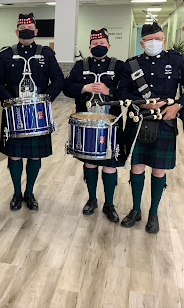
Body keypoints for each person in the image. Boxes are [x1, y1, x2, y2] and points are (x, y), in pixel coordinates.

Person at [117, 21, 184, 233]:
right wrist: (143, 103)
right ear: (142, 42)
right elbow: (121, 93)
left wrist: (179, 105)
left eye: (158, 39)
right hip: (139, 121)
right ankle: (136, 209)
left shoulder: (175, 61)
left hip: (165, 123)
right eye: (150, 40)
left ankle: (153, 213)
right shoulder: (131, 65)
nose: (155, 43)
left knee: (158, 169)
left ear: (163, 40)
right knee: (137, 167)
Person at [0, 13, 64, 211]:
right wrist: (7, 99)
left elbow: (58, 79)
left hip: (38, 111)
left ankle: (30, 192)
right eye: (22, 28)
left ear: (36, 31)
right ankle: (16, 192)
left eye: (30, 28)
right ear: (16, 32)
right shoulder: (6, 54)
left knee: (34, 156)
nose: (26, 31)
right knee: (14, 156)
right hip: (13, 111)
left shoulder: (46, 54)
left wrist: (46, 99)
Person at [63, 28, 124, 222]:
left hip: (111, 123)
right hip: (87, 123)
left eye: (102, 44)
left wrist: (110, 90)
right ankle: (91, 199)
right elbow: (66, 87)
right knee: (90, 161)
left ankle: (109, 204)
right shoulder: (81, 65)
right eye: (95, 44)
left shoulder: (119, 66)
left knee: (109, 165)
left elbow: (127, 91)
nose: (98, 47)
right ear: (89, 46)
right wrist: (84, 87)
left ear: (109, 45)